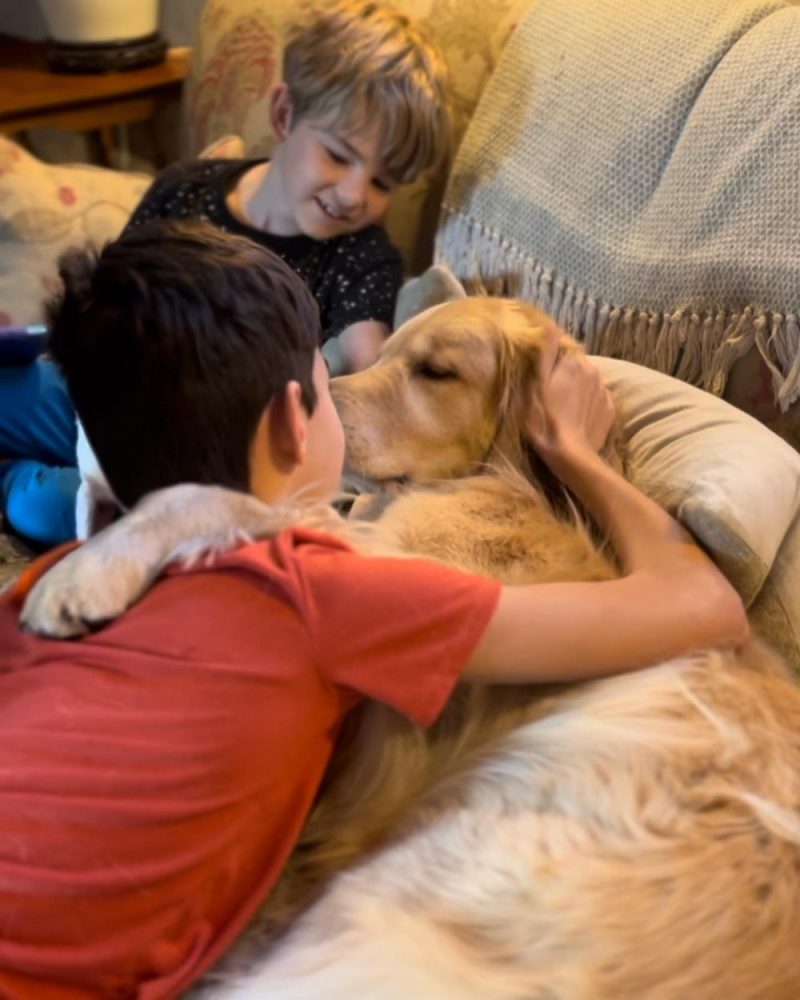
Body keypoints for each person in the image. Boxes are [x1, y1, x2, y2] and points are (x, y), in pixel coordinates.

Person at [0, 221, 747, 999]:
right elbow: (703, 605)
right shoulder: (326, 593)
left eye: (428, 373)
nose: (354, 395)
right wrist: (576, 453)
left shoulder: (49, 585)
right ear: (296, 422)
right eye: (331, 387)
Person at [0, 0, 450, 548]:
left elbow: (367, 369)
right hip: (105, 394)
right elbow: (114, 291)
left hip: (194, 451)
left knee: (45, 507)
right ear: (284, 115)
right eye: (337, 154)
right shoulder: (187, 188)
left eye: (383, 183)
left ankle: (11, 477)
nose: (354, 194)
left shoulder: (363, 257)